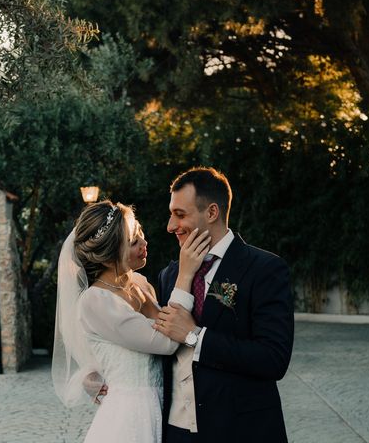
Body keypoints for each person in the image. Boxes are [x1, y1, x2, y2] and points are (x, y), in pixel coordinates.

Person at [154, 167, 294, 442]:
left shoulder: (264, 269)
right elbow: (159, 345)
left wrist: (195, 336)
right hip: (175, 430)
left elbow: (273, 359)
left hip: (240, 430)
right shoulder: (169, 274)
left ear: (212, 213)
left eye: (180, 214)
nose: (170, 226)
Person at [52, 200, 211, 443]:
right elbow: (166, 342)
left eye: (141, 234)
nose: (144, 244)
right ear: (107, 256)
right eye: (133, 241)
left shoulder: (140, 283)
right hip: (130, 417)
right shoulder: (95, 301)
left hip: (165, 408)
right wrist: (186, 274)